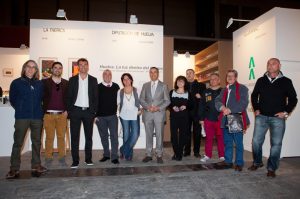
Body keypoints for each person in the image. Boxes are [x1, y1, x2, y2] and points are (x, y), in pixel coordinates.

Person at [248, 58, 298, 177]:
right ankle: (257, 162)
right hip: (262, 116)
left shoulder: (286, 81)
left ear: (279, 66)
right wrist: (256, 109)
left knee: (276, 144)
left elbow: (293, 98)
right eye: (269, 64)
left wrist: (285, 112)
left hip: (278, 119)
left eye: (273, 64)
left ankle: (271, 168)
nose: (270, 66)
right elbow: (254, 96)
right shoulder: (261, 80)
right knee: (255, 142)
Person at [6, 60, 47, 179]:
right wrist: (20, 108)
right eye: (28, 67)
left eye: (33, 67)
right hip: (22, 117)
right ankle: (14, 169)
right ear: (24, 68)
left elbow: (42, 98)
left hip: (37, 118)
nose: (30, 69)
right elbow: (13, 99)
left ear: (36, 71)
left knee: (36, 142)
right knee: (18, 143)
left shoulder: (39, 84)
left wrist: (40, 111)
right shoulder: (16, 83)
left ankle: (36, 165)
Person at [215, 69, 250, 171]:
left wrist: (230, 109)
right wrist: (222, 108)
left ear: (236, 77)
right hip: (225, 120)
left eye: (232, 76)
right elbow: (217, 100)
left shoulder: (243, 88)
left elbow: (243, 103)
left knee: (238, 143)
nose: (229, 78)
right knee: (227, 142)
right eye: (228, 76)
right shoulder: (224, 90)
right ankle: (228, 161)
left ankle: (239, 163)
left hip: (237, 119)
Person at [67, 58, 98, 169]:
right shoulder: (72, 80)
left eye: (85, 65)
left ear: (88, 66)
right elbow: (69, 97)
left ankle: (88, 159)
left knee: (88, 137)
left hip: (88, 112)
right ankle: (75, 161)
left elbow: (95, 98)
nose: (83, 67)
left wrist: (94, 112)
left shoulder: (93, 80)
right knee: (74, 137)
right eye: (81, 65)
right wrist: (70, 111)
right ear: (78, 67)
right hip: (75, 111)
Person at [140, 67, 170, 164]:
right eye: (151, 72)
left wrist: (157, 108)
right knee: (148, 135)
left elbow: (167, 101)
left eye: (155, 72)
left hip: (159, 114)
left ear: (158, 74)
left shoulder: (164, 85)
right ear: (149, 74)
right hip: (148, 113)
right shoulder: (145, 85)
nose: (153, 74)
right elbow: (141, 99)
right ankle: (148, 154)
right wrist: (148, 107)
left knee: (159, 135)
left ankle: (159, 155)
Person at [42, 62, 68, 167]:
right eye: (55, 68)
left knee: (61, 137)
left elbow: (69, 98)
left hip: (62, 114)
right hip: (48, 114)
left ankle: (62, 157)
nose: (57, 70)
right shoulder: (44, 82)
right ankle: (48, 157)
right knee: (49, 137)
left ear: (62, 70)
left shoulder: (66, 83)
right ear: (52, 70)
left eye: (60, 68)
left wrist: (67, 110)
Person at [96, 69, 120, 164]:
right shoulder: (97, 87)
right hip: (100, 117)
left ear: (111, 76)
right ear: (103, 76)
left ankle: (114, 156)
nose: (107, 76)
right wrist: (95, 115)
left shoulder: (116, 86)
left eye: (109, 74)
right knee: (104, 137)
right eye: (105, 74)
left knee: (114, 136)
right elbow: (94, 101)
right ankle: (106, 154)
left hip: (113, 116)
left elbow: (119, 100)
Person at [199, 73, 225, 163]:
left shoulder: (224, 91)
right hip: (208, 118)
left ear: (219, 80)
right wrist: (201, 119)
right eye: (211, 79)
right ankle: (207, 155)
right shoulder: (205, 92)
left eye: (215, 79)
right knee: (208, 138)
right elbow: (201, 105)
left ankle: (222, 155)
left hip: (220, 119)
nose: (213, 80)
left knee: (220, 137)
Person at [117, 73, 141, 161]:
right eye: (124, 79)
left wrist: (140, 110)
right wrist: (118, 113)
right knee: (126, 134)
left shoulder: (137, 90)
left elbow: (141, 102)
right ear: (122, 81)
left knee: (135, 134)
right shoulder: (120, 91)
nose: (126, 81)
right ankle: (128, 154)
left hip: (135, 114)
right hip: (124, 115)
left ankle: (123, 150)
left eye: (128, 79)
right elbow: (118, 104)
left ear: (131, 80)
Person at [184, 69, 206, 157]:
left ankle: (196, 152)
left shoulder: (201, 85)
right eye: (187, 73)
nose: (188, 75)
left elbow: (205, 99)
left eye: (190, 73)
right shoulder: (183, 85)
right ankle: (187, 151)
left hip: (197, 113)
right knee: (186, 132)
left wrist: (200, 97)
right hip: (186, 113)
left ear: (194, 74)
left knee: (197, 133)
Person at [169, 76, 192, 161]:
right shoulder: (172, 92)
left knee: (183, 136)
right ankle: (176, 153)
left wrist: (185, 106)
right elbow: (168, 103)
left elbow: (192, 105)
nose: (180, 83)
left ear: (185, 83)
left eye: (182, 81)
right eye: (178, 81)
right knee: (173, 136)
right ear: (176, 82)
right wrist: (172, 107)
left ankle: (179, 153)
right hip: (174, 117)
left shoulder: (188, 93)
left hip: (184, 117)